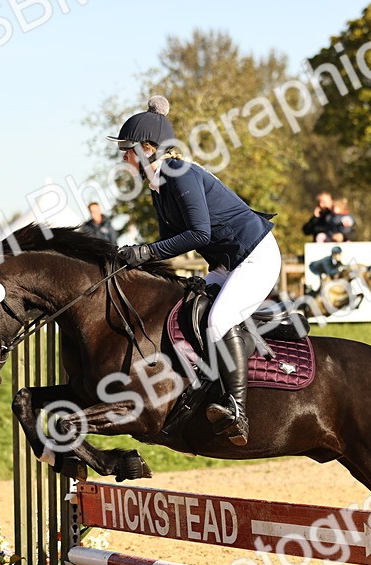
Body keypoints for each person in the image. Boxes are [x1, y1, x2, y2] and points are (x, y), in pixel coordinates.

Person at [109, 96, 279, 447]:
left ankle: (237, 410)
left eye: (127, 150)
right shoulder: (159, 186)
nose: (123, 157)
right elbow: (167, 242)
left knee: (218, 321)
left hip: (255, 257)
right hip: (226, 265)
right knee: (183, 307)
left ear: (147, 149)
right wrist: (132, 259)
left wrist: (146, 252)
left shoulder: (180, 174)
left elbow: (199, 234)